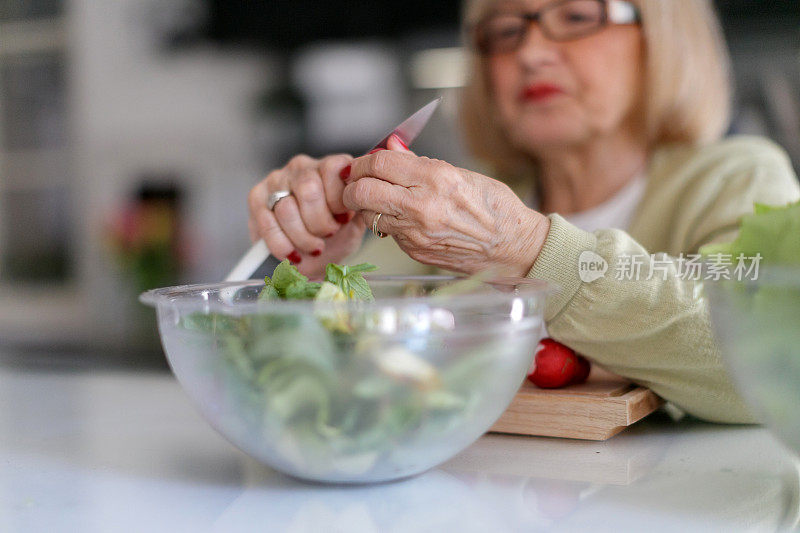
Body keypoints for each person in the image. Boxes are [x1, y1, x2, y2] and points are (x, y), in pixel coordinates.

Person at [247, 0, 800, 423]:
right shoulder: (444, 216)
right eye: (506, 31)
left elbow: (777, 358)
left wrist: (526, 249)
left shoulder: (738, 177)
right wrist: (320, 267)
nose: (530, 53)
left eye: (578, 14)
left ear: (662, 37)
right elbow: (324, 386)